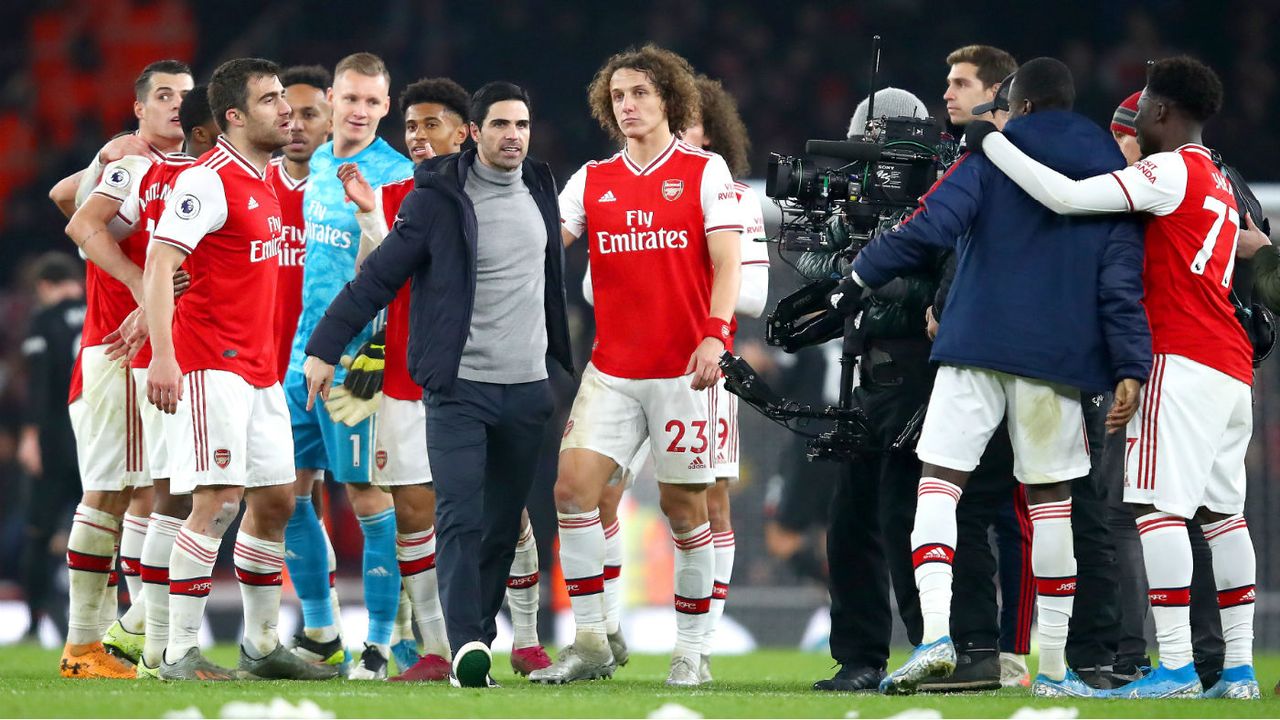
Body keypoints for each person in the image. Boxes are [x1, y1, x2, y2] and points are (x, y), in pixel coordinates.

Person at [847, 57, 1150, 697]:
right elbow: (1121, 282)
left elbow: (928, 226)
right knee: (1051, 505)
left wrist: (857, 278)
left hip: (974, 344)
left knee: (940, 484)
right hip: (1058, 361)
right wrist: (1130, 363)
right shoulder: (1116, 173)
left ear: (1024, 104)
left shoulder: (991, 155)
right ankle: (1058, 668)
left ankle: (934, 637)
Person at [974, 55, 1261, 701]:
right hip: (1230, 365)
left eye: (1143, 110)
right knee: (1224, 516)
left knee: (1155, 510)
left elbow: (1068, 197)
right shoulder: (1217, 175)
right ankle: (1238, 671)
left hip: (1179, 356)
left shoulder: (1169, 169)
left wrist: (992, 143)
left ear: (1161, 112)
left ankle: (1179, 668)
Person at [304, 81, 573, 689]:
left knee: (504, 524)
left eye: (522, 125)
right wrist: (324, 346)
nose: (513, 136)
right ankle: (468, 646)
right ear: (475, 133)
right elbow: (376, 279)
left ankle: (474, 633)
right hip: (459, 389)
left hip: (528, 390)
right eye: (500, 125)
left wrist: (559, 361)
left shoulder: (540, 188)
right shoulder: (436, 200)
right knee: (458, 515)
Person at [530, 45, 742, 688]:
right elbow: (542, 244)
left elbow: (728, 263)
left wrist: (715, 336)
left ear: (669, 102)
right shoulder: (591, 180)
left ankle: (692, 651)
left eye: (641, 94)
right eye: (619, 96)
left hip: (686, 370)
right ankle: (591, 639)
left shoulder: (705, 173)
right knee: (571, 492)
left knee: (686, 509)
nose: (628, 105)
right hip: (613, 370)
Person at [142, 57, 337, 683]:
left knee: (277, 500)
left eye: (286, 98)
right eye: (270, 100)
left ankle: (259, 646)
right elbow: (159, 261)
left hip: (262, 372)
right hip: (210, 366)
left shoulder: (272, 184)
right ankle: (176, 652)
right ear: (233, 116)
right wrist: (165, 359)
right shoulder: (208, 180)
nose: (285, 110)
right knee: (218, 500)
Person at [579, 73, 769, 684]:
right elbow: (589, 283)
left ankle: (698, 643)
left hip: (700, 361)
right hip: (625, 365)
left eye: (689, 129)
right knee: (596, 493)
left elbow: (754, 291)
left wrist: (685, 291)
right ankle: (603, 628)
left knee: (704, 502)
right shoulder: (611, 181)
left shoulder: (730, 195)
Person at [62, 84, 222, 677]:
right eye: (162, 94)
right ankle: (87, 645)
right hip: (116, 348)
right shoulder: (130, 165)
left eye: (186, 94)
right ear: (138, 107)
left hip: (171, 345)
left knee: (155, 492)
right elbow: (74, 210)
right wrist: (105, 160)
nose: (176, 103)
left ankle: (135, 636)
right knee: (113, 490)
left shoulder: (189, 173)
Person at [282, 52, 413, 680]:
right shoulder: (306, 169)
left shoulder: (397, 174)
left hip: (359, 363)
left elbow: (396, 271)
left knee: (365, 493)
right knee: (285, 494)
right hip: (292, 358)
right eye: (350, 98)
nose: (358, 111)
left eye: (371, 102)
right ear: (331, 98)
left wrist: (370, 216)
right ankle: (321, 631)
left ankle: (382, 644)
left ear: (385, 107)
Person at [930, 44, 1036, 691]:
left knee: (1022, 510)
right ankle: (974, 648)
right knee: (966, 505)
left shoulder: (1022, 164)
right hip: (966, 354)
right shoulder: (962, 159)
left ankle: (1018, 651)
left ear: (999, 96)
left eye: (962, 82)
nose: (949, 92)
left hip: (1020, 356)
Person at [18, 253, 85, 641]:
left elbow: (40, 387)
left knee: (38, 531)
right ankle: (124, 610)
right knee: (111, 523)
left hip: (56, 437)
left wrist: (30, 438)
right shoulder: (99, 309)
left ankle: (33, 620)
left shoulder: (44, 321)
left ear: (44, 286)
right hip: (99, 434)